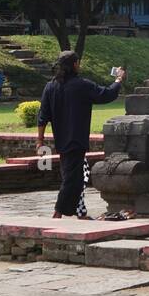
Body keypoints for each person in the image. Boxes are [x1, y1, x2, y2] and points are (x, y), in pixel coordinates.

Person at [37, 52, 125, 220]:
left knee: (72, 176)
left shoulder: (50, 86)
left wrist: (40, 140)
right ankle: (58, 213)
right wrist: (118, 80)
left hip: (61, 140)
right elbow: (106, 94)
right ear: (75, 64)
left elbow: (42, 116)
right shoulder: (82, 85)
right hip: (76, 139)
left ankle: (80, 213)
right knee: (73, 180)